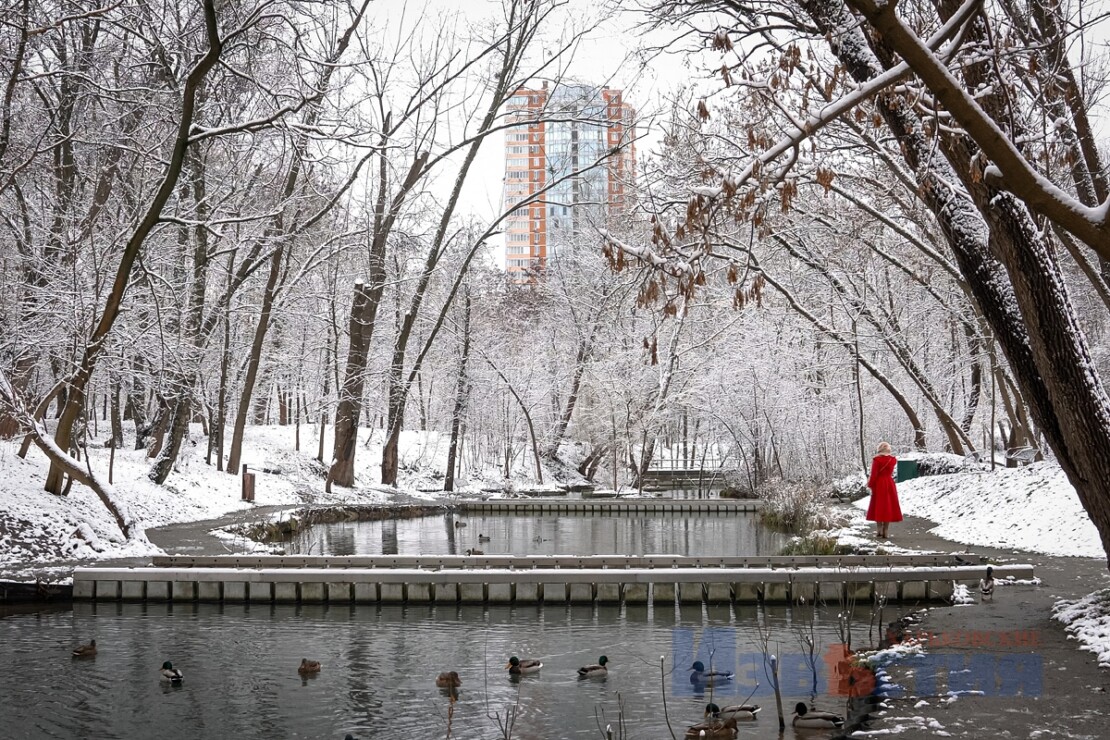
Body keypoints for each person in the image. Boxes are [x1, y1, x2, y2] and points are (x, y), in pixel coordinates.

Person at [865, 441, 902, 538]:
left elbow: (874, 475)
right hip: (889, 483)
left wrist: (870, 484)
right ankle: (886, 530)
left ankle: (879, 529)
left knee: (879, 506)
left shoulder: (877, 460)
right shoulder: (893, 460)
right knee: (888, 506)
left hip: (879, 484)